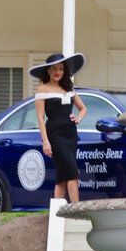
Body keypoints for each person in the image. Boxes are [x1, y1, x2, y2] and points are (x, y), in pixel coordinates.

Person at [30, 52, 87, 203]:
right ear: (48, 70)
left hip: (70, 135)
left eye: (61, 69)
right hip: (55, 136)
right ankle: (77, 211)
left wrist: (78, 118)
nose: (57, 72)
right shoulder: (42, 89)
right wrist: (45, 142)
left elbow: (83, 108)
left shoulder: (68, 88)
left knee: (62, 176)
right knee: (73, 174)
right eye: (54, 69)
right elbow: (40, 118)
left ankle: (57, 215)